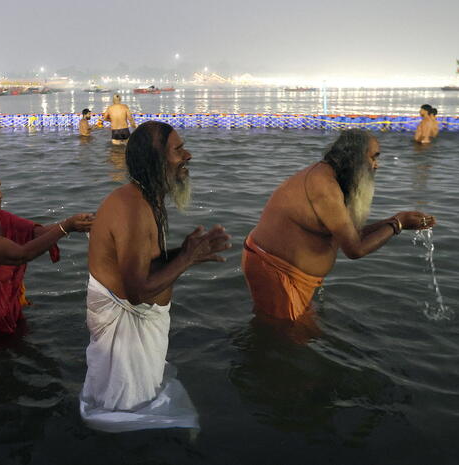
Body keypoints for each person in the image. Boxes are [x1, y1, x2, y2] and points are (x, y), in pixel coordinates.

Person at [80, 121, 231, 432]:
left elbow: (145, 261)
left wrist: (186, 253)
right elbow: (137, 292)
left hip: (138, 325)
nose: (188, 155)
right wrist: (186, 258)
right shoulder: (132, 207)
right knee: (122, 411)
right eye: (178, 149)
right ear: (155, 160)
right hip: (127, 323)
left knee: (135, 402)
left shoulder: (148, 198)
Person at [244, 129, 436, 322]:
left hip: (289, 274)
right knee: (287, 337)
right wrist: (398, 224)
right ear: (354, 157)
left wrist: (391, 221)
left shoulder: (331, 179)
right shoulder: (324, 187)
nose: (376, 165)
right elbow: (354, 250)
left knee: (297, 332)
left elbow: (349, 235)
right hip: (275, 271)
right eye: (373, 157)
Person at [0, 165, 94, 338]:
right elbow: (20, 255)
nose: (0, 194)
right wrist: (66, 227)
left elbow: (35, 232)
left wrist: (76, 224)